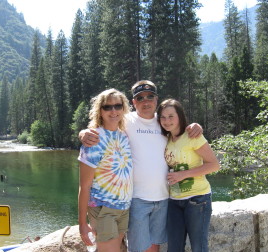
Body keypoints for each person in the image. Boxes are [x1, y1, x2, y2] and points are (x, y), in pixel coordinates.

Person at [80, 80, 203, 252]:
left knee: (154, 247)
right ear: (133, 102)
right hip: (136, 199)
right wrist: (84, 133)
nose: (146, 101)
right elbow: (104, 125)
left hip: (163, 198)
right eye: (140, 98)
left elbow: (181, 132)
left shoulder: (163, 122)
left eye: (150, 97)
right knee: (138, 248)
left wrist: (195, 126)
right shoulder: (126, 121)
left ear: (156, 100)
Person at [157, 99, 220, 252]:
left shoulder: (192, 136)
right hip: (174, 201)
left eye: (171, 116)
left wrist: (183, 175)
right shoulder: (167, 139)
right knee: (174, 248)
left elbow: (214, 165)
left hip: (197, 200)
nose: (167, 121)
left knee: (198, 247)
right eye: (163, 117)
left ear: (180, 116)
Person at [78, 88, 134, 252]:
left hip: (123, 208)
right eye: (107, 107)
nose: (113, 111)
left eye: (118, 106)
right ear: (100, 111)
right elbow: (84, 186)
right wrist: (82, 223)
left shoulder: (124, 135)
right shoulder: (93, 139)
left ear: (124, 108)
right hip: (103, 208)